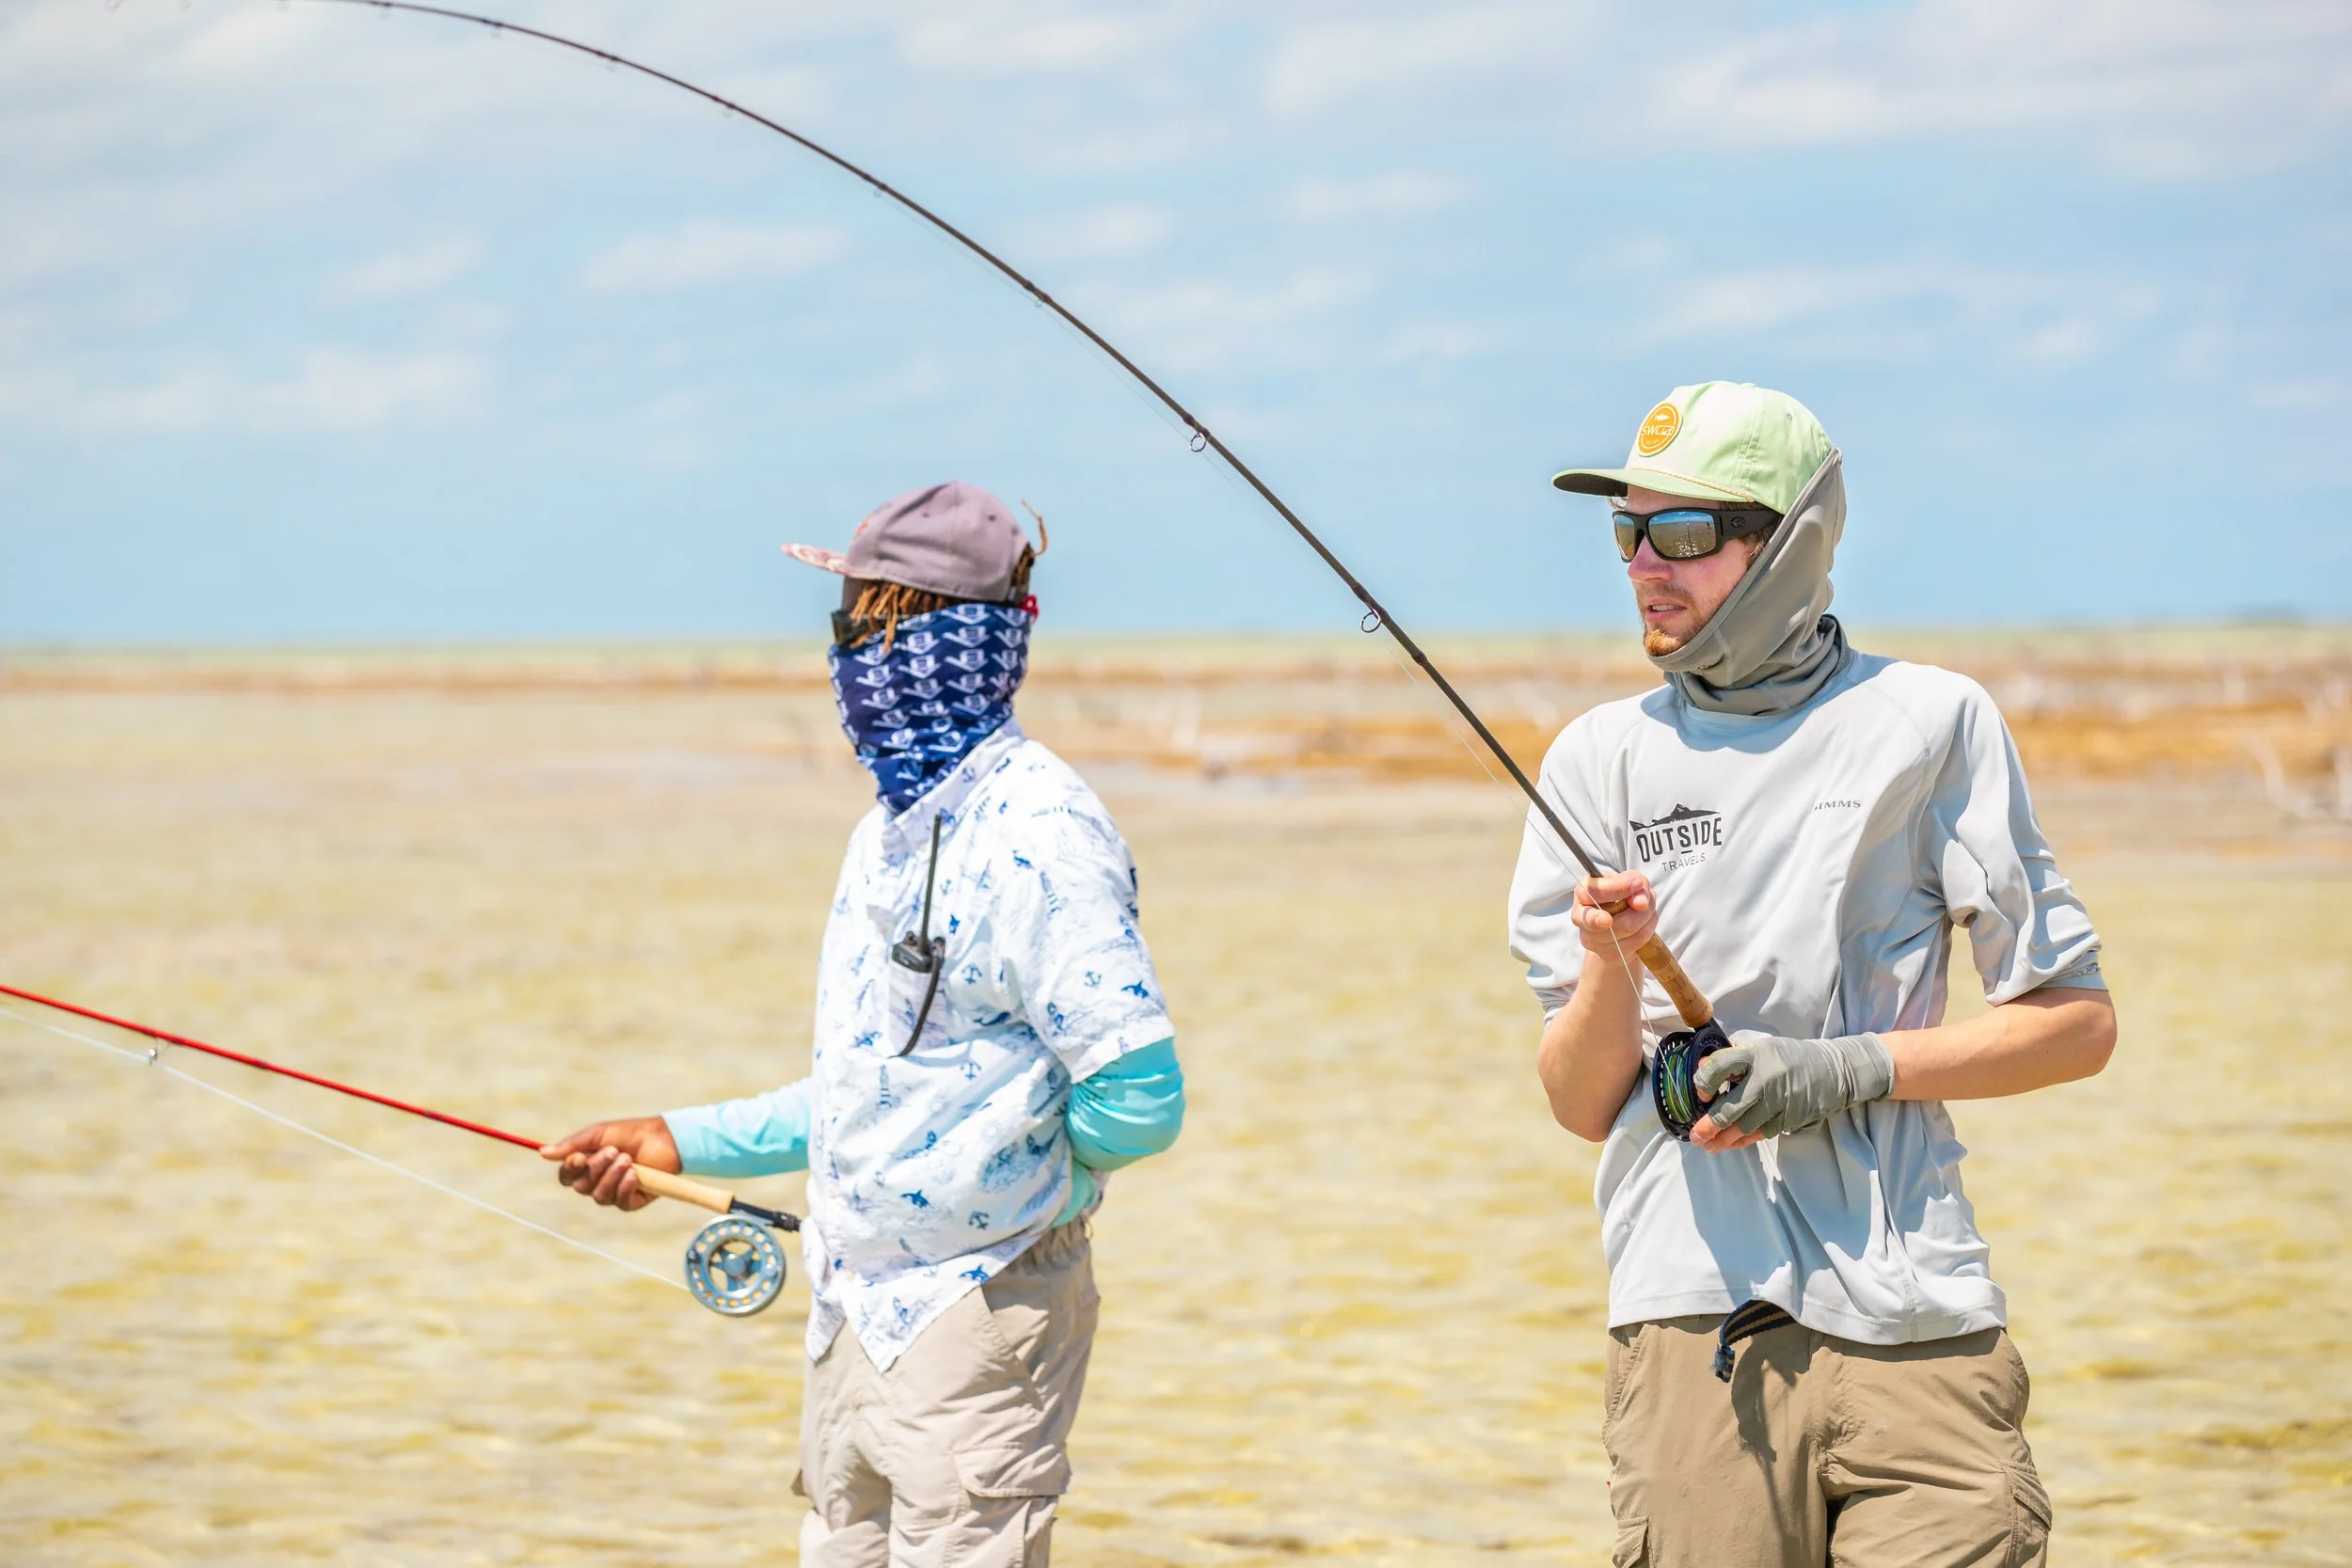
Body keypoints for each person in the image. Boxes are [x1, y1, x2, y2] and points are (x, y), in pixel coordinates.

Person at [1507, 383, 2115, 1567]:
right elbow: (1583, 1102)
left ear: (1789, 542)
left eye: (1682, 534)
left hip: (1920, 1322)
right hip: (1689, 1322)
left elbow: (2073, 1026)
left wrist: (1837, 1068)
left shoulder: (1931, 721)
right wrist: (1601, 963)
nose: (1644, 565)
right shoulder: (1595, 759)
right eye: (1625, 530)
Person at [544, 482, 1185, 1567]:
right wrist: (679, 1138)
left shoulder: (1044, 829)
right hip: (850, 1310)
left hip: (981, 1315)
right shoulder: (884, 830)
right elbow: (879, 1091)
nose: (844, 654)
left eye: (863, 624)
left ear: (942, 637)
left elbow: (1139, 1096)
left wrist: (1025, 1176)